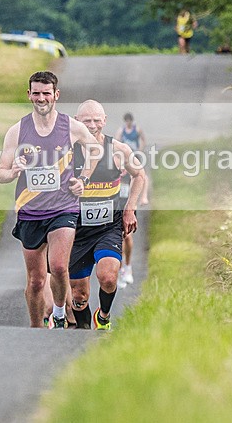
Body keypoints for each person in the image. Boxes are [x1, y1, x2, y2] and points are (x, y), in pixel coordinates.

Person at [0, 71, 101, 329]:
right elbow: (0, 174)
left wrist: (83, 179)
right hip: (30, 212)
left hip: (63, 207)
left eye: (46, 93)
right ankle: (36, 327)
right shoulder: (17, 130)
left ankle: (59, 312)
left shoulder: (72, 127)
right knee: (35, 280)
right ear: (29, 95)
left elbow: (96, 150)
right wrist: (14, 170)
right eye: (36, 93)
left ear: (56, 95)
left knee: (58, 266)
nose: (41, 98)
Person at [67, 100, 146, 330]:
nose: (92, 125)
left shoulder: (119, 150)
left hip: (108, 227)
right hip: (76, 231)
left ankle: (103, 317)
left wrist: (130, 208)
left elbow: (139, 176)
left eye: (96, 120)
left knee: (109, 277)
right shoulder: (66, 153)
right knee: (79, 294)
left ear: (104, 121)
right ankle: (81, 332)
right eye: (86, 120)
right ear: (76, 121)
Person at [114, 112, 148, 287]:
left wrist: (143, 196)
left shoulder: (137, 130)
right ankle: (120, 269)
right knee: (116, 238)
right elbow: (118, 140)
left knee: (126, 236)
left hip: (128, 202)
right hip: (115, 203)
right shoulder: (120, 138)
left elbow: (142, 177)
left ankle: (127, 266)